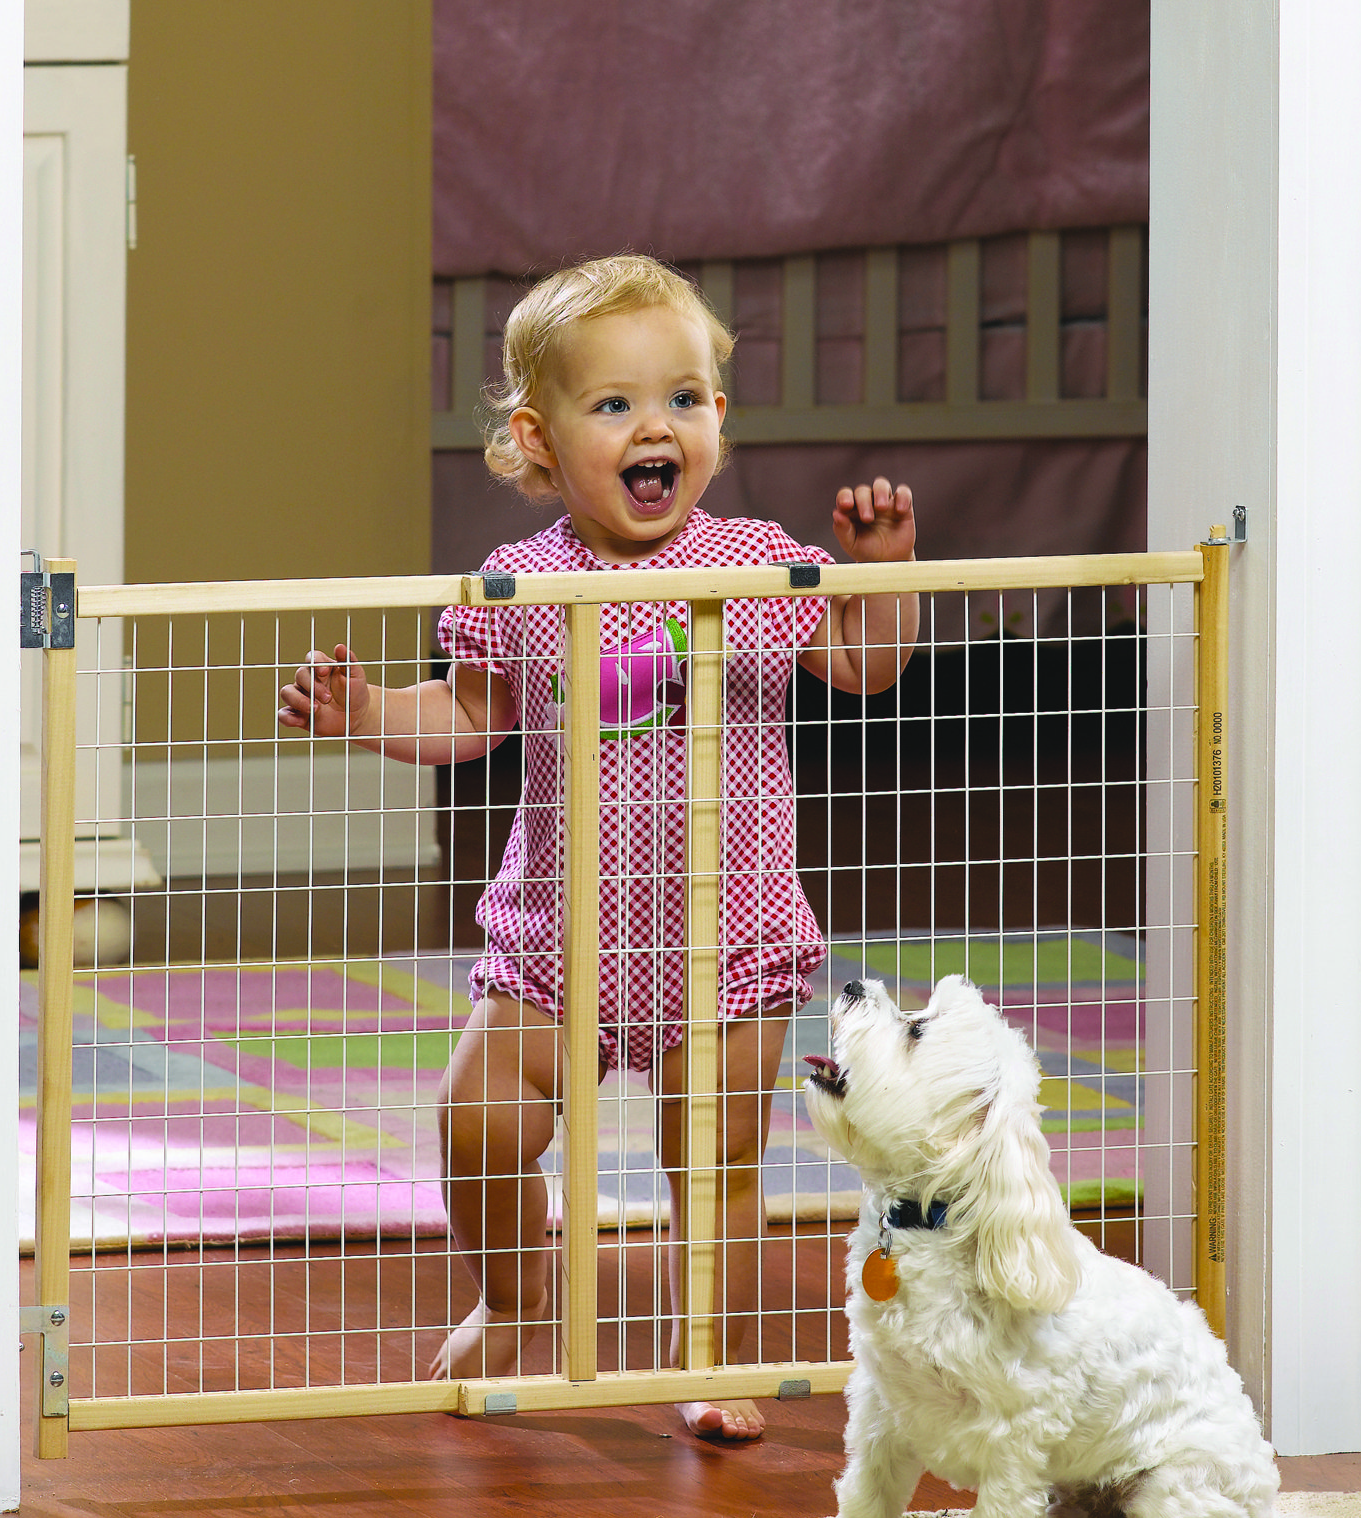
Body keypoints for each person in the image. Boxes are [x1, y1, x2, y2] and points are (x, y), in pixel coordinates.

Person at [278, 255, 917, 1439]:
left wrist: (882, 580)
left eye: (682, 398)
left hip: (725, 941)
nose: (653, 426)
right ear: (539, 436)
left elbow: (867, 665)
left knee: (714, 1160)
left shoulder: (756, 566)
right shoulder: (522, 582)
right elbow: (471, 717)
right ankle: (516, 1298)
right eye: (613, 405)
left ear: (717, 421)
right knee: (479, 1126)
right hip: (559, 939)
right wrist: (368, 713)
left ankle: (707, 1354)